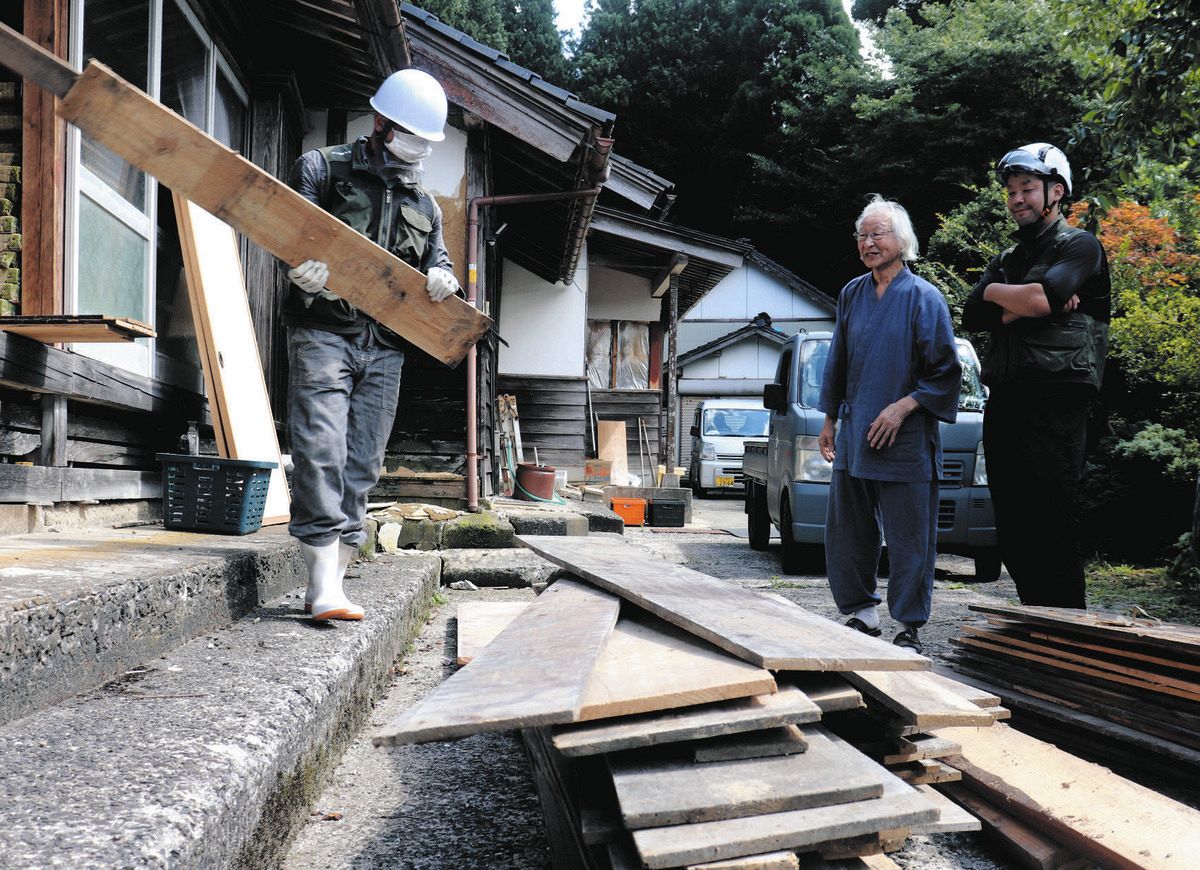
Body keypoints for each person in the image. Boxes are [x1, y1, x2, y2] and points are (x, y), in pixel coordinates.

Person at [284, 68, 461, 621]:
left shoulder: (425, 204)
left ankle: (329, 585)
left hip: (384, 344)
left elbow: (441, 263)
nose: (417, 150)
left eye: (426, 143)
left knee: (363, 463)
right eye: (410, 136)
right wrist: (297, 268)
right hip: (323, 331)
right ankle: (320, 582)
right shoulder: (321, 168)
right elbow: (285, 232)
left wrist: (444, 281)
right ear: (381, 123)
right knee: (320, 450)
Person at [962, 143, 1110, 609]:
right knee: (1012, 522)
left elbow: (1041, 300)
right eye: (1011, 191)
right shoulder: (1009, 256)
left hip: (1057, 400)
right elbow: (971, 312)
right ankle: (1037, 622)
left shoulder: (1080, 244)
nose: (1016, 199)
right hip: (1006, 400)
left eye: (1027, 188)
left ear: (1056, 192)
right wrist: (1016, 300)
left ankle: (1068, 629)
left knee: (1052, 516)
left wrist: (1005, 300)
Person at [818, 195, 962, 654]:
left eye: (878, 233)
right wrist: (828, 418)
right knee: (849, 530)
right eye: (862, 234)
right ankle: (861, 612)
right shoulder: (852, 293)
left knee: (910, 538)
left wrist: (902, 408)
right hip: (856, 431)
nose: (868, 242)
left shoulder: (925, 298)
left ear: (903, 241)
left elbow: (943, 371)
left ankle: (909, 626)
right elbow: (837, 361)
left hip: (906, 439)